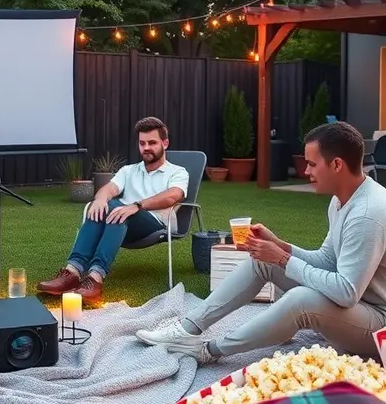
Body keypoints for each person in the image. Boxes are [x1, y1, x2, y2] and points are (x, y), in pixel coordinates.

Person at [136, 122, 386, 363]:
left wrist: (283, 259)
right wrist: (280, 246)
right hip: (357, 306)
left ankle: (209, 350)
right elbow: (328, 260)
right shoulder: (342, 199)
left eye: (311, 164)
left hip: (377, 324)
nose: (305, 171)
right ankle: (187, 329)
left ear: (337, 165)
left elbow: (346, 292)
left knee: (301, 300)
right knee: (262, 262)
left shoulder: (367, 213)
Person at [37, 117, 189, 304]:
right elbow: (109, 189)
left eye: (152, 143)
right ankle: (73, 272)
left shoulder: (177, 172)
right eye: (142, 143)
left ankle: (95, 278)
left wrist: (137, 205)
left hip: (155, 222)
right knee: (101, 206)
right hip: (120, 220)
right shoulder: (128, 170)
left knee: (115, 208)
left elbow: (173, 195)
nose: (146, 148)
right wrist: (100, 199)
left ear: (165, 143)